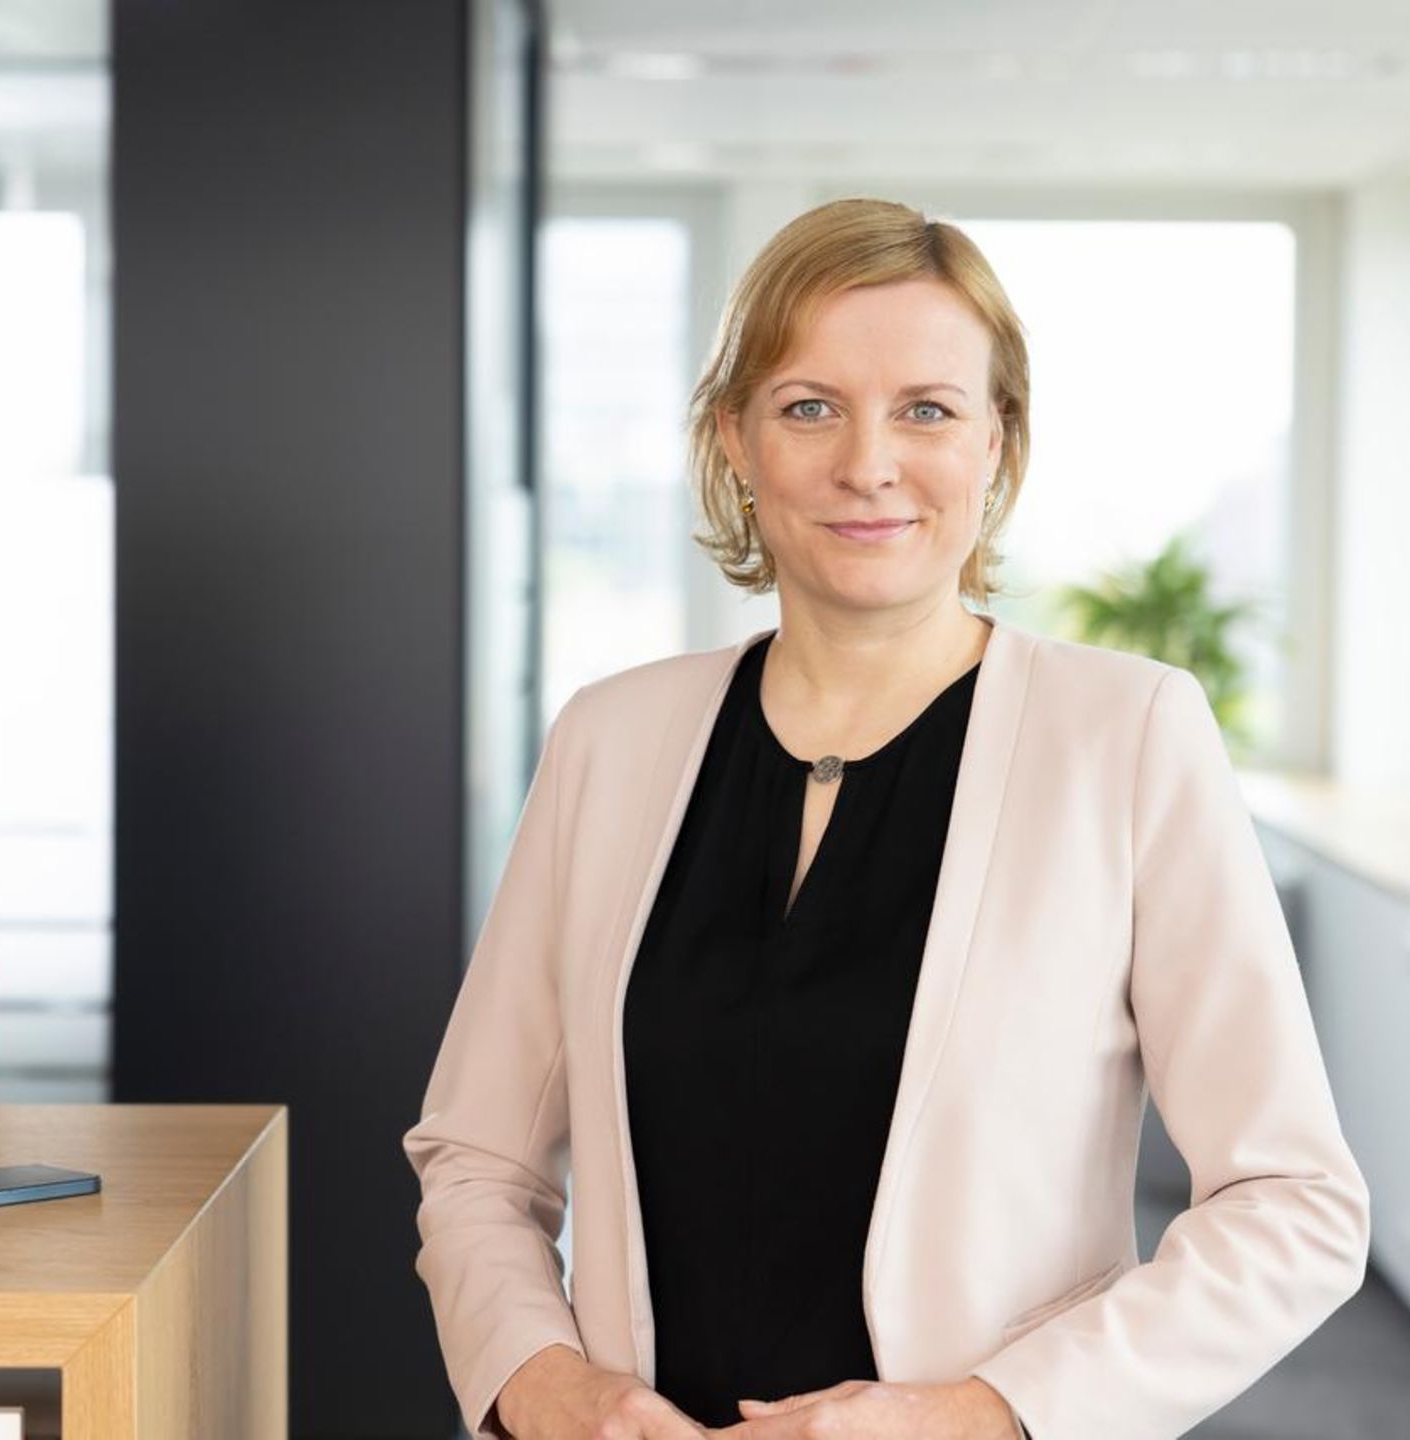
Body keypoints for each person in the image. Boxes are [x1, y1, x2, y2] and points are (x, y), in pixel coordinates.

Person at [403, 198, 1371, 1440]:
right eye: (810, 407)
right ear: (733, 439)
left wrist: (976, 1414)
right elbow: (478, 1161)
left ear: (996, 442)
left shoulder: (1125, 736)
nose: (869, 464)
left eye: (927, 410)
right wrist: (548, 1389)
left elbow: (1294, 1205)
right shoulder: (611, 740)